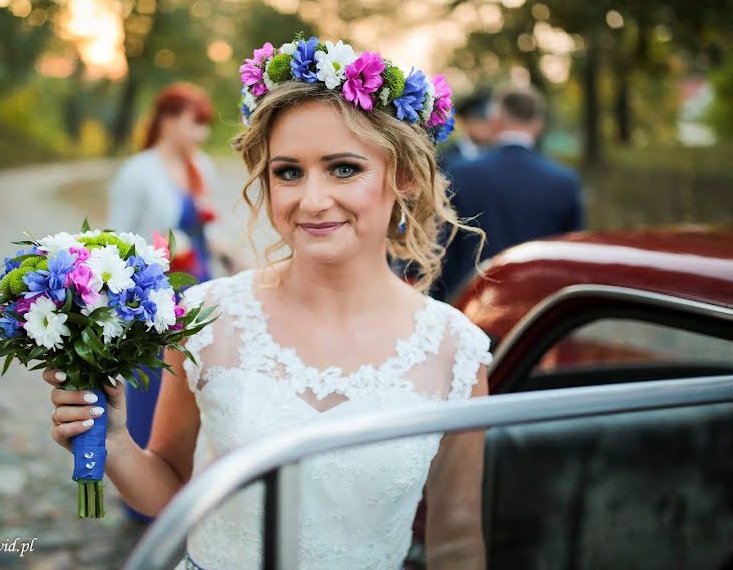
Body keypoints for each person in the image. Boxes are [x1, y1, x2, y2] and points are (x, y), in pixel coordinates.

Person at [46, 36, 492, 569]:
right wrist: (116, 443)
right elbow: (172, 490)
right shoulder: (207, 318)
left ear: (404, 178)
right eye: (288, 172)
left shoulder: (455, 351)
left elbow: (458, 542)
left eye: (343, 168)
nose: (312, 199)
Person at [106, 82, 232, 523]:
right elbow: (116, 240)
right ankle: (142, 496)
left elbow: (205, 228)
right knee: (150, 388)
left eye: (203, 126)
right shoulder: (138, 172)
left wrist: (227, 251)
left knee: (193, 390)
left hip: (197, 289)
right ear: (168, 119)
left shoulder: (200, 167)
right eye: (193, 124)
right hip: (152, 295)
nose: (198, 136)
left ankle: (188, 486)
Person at [434, 84, 586, 301]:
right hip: (536, 311)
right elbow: (572, 259)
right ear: (538, 124)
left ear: (495, 119)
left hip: (472, 304)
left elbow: (441, 251)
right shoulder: (565, 182)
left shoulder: (462, 173)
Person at [437, 88, 492, 171]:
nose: (487, 127)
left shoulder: (494, 154)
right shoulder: (445, 158)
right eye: (480, 121)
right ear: (468, 122)